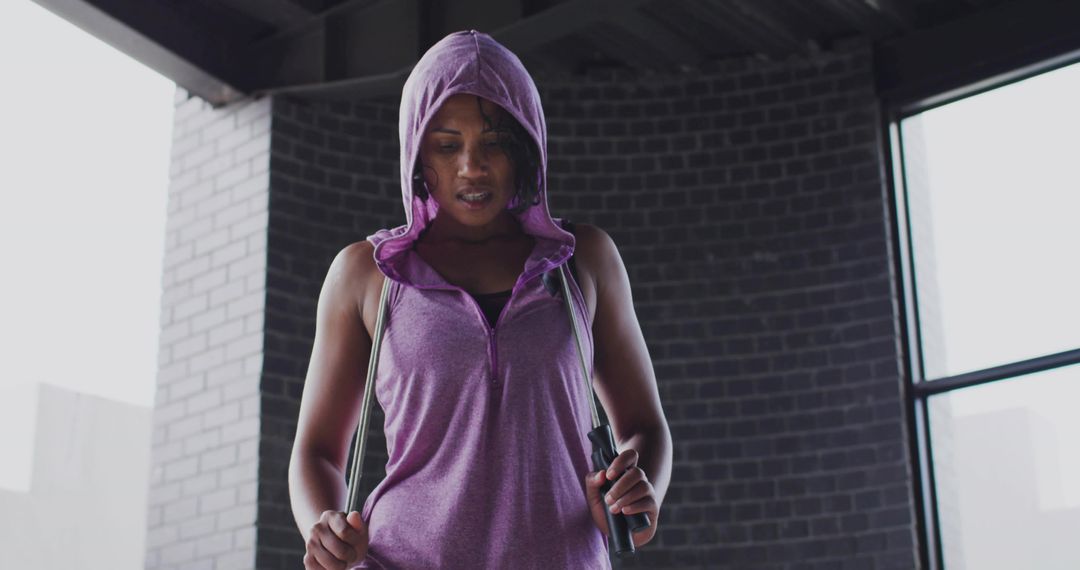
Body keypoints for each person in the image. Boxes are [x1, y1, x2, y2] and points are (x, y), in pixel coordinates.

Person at [288, 29, 672, 569]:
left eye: (494, 142)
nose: (472, 166)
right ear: (417, 155)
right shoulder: (366, 275)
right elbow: (316, 453)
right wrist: (322, 527)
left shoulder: (582, 262)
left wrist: (639, 490)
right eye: (447, 145)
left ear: (526, 148)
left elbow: (646, 426)